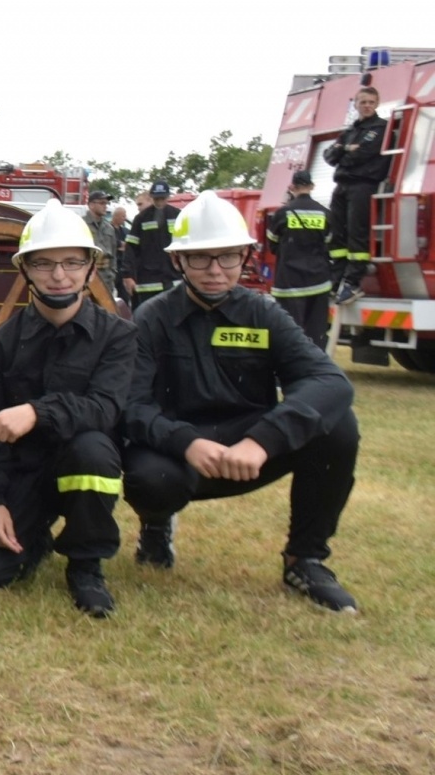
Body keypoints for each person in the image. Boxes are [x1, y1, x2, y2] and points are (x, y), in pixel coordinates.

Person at [122, 191, 360, 613]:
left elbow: (329, 381)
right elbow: (132, 405)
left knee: (339, 427)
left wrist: (263, 440)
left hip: (250, 448)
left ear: (245, 256)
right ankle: (156, 524)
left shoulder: (264, 314)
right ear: (178, 261)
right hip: (178, 454)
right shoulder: (152, 318)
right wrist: (186, 443)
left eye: (228, 256)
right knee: (149, 480)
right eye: (200, 258)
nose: (216, 270)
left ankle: (304, 560)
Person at [0, 199, 137, 617]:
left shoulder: (117, 337)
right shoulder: (0, 344)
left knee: (93, 450)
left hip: (82, 460)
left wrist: (36, 412)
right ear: (24, 269)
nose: (58, 276)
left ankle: (86, 566)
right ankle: (34, 534)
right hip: (23, 471)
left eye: (72, 263)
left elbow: (105, 407)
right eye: (43, 264)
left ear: (91, 267)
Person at [324, 87, 388, 306]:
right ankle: (335, 280)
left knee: (356, 234)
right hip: (341, 186)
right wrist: (346, 149)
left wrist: (343, 151)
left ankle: (353, 283)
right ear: (356, 104)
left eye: (371, 102)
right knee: (337, 235)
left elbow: (363, 154)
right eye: (363, 102)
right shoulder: (350, 131)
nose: (367, 105)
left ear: (377, 104)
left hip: (363, 185)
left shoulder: (380, 128)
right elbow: (328, 156)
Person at [267, 170, 332, 350]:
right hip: (318, 282)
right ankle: (316, 363)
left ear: (292, 187)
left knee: (288, 333)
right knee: (316, 333)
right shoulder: (324, 213)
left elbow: (272, 244)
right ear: (312, 187)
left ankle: (291, 363)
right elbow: (329, 245)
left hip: (289, 282)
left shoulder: (282, 213)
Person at [120, 181, 180, 310]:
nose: (160, 202)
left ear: (168, 197)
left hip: (174, 280)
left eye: (162, 198)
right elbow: (131, 248)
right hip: (148, 281)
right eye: (157, 199)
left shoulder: (178, 216)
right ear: (152, 198)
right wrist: (127, 275)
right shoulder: (141, 218)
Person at [82, 190, 118, 300]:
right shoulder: (81, 224)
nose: (105, 206)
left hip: (107, 279)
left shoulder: (109, 228)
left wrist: (112, 274)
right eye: (102, 203)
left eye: (106, 203)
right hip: (87, 279)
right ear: (91, 205)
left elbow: (113, 255)